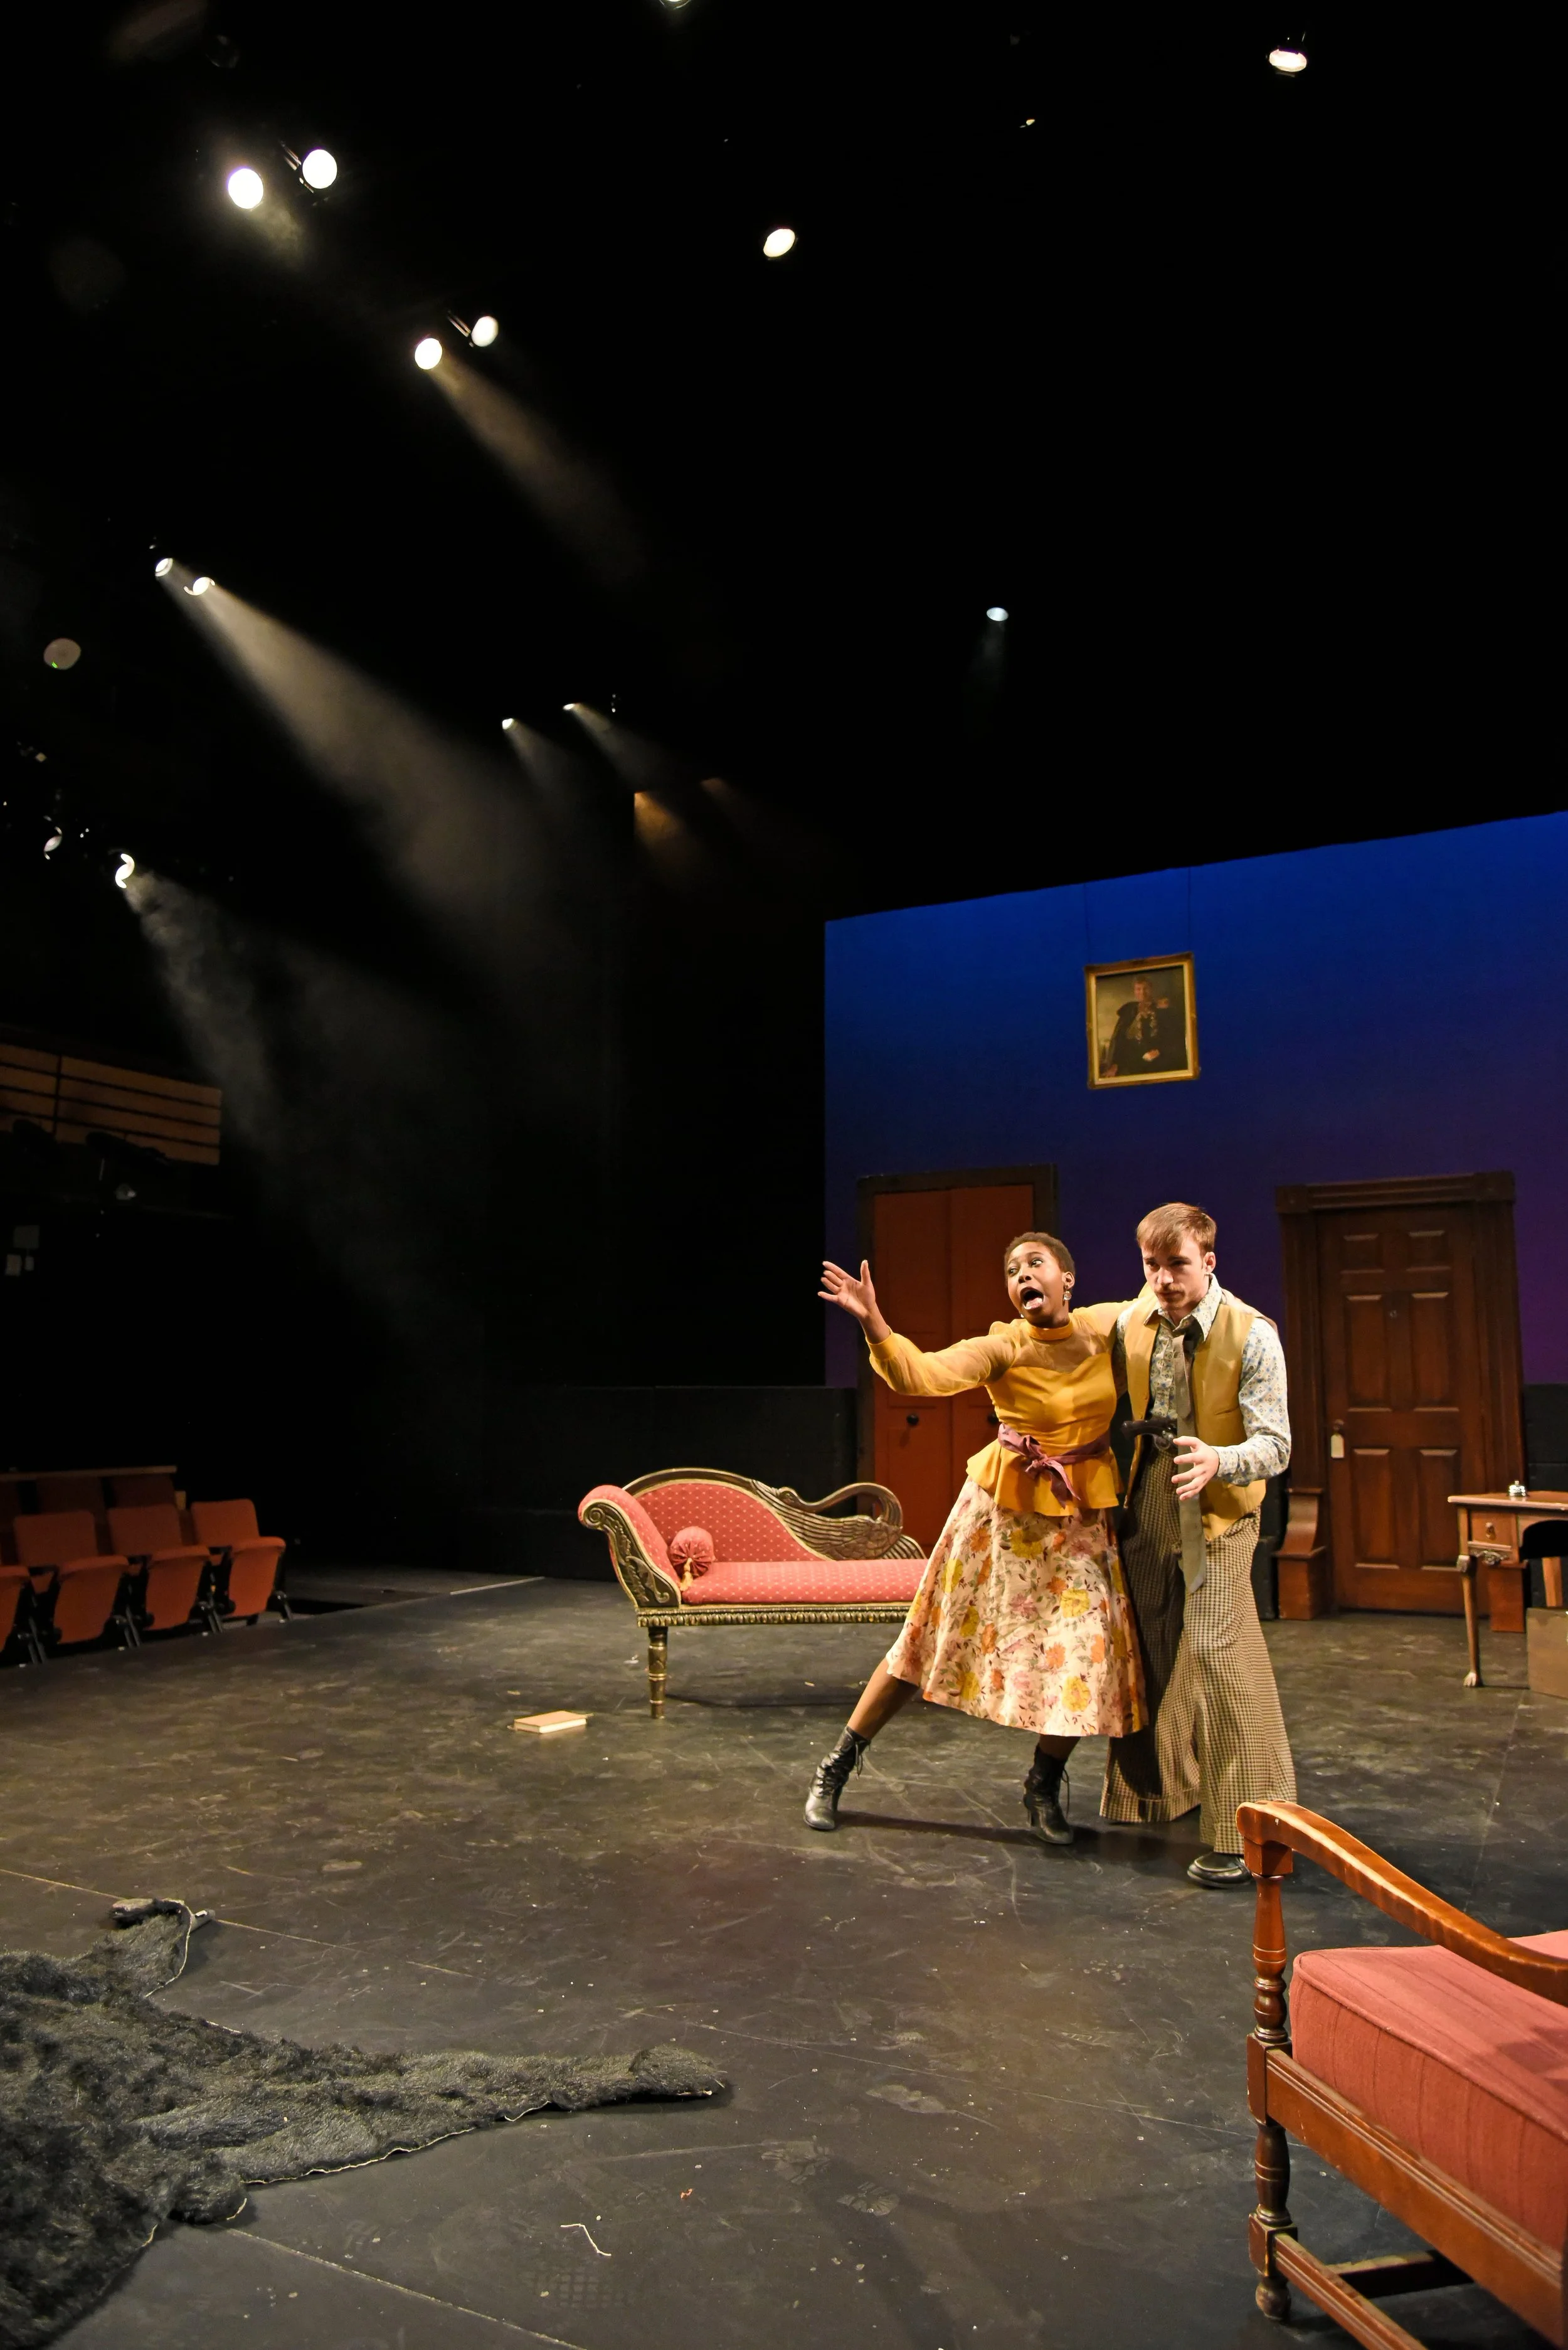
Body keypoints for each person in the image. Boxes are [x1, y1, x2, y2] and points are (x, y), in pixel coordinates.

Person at [804, 1232, 1145, 1844]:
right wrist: (877, 1325)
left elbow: (1170, 1304)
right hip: (999, 1518)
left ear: (1067, 1277)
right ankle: (839, 1763)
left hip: (1077, 1519)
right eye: (1012, 1270)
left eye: (1033, 1264)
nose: (1021, 1275)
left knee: (1086, 1657)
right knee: (926, 1642)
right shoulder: (1006, 1345)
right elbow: (924, 1374)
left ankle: (1042, 1783)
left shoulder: (1107, 1326)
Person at [1094, 1201, 1295, 1885]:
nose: (1163, 1278)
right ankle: (1156, 1790)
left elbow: (1277, 1445)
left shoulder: (1253, 1334)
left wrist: (1218, 1460)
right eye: (1151, 1265)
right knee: (1148, 1644)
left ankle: (1252, 1827)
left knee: (1217, 1650)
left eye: (1176, 1263)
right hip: (1150, 1487)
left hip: (1220, 1504)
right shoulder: (1130, 1322)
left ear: (1209, 1260)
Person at [1101, 972, 1187, 1077]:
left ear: (1151, 989)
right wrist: (1115, 1065)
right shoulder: (1129, 1012)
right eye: (1138, 989)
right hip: (1132, 1065)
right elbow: (1120, 1041)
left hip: (1159, 1063)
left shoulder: (1164, 1011)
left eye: (1145, 989)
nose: (1142, 992)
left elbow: (1175, 1038)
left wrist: (1160, 1051)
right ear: (1135, 991)